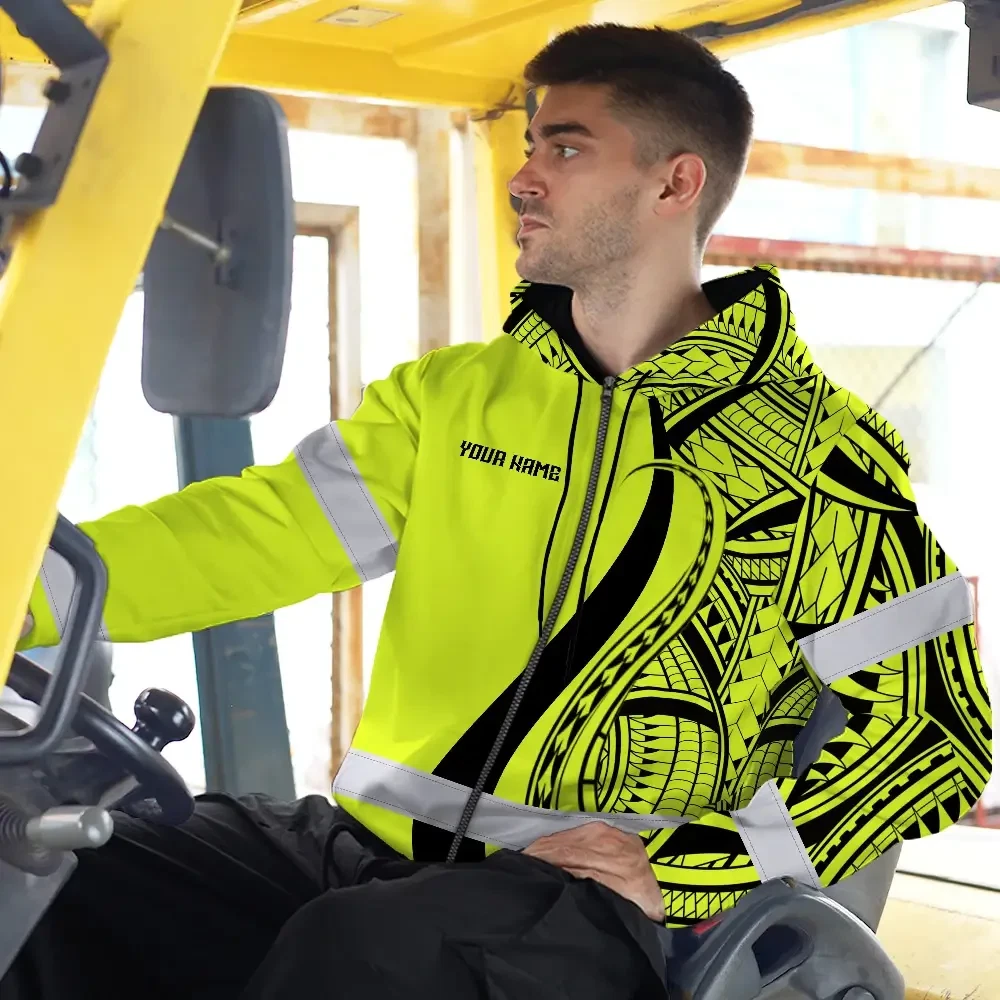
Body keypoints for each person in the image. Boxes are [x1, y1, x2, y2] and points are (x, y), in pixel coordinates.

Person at [3, 22, 992, 1000]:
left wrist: (700, 869)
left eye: (565, 149)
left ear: (673, 185)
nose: (524, 177)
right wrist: (21, 593)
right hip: (373, 857)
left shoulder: (819, 455)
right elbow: (245, 536)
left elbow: (934, 728)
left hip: (602, 913)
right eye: (528, 147)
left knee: (368, 953)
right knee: (64, 865)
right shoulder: (455, 400)